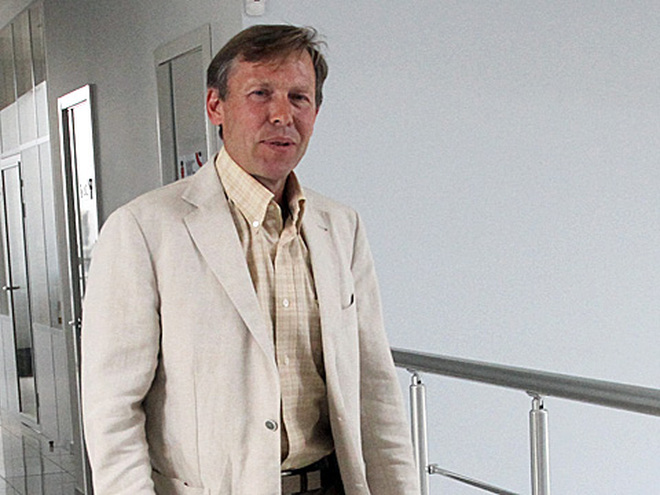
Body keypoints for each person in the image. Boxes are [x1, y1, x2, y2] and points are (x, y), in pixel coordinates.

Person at [81, 24, 419, 495]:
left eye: (299, 98)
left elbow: (375, 389)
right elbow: (113, 410)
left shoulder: (341, 227)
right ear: (215, 106)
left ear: (316, 112)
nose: (282, 115)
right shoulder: (143, 230)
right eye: (260, 94)